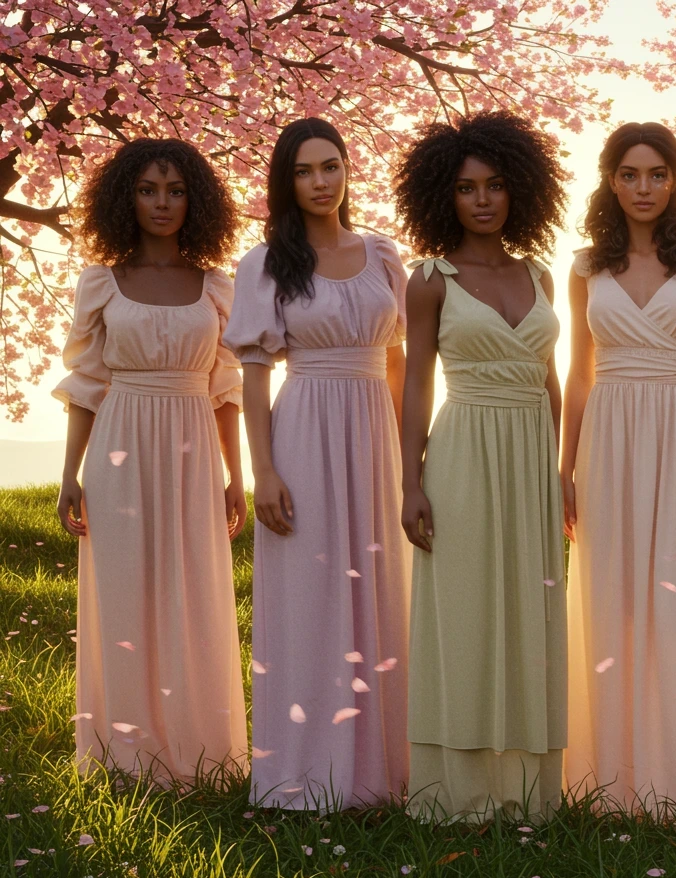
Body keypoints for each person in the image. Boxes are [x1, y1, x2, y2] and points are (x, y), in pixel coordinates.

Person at [223, 118, 410, 810]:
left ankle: (381, 773)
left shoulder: (385, 254)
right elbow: (251, 374)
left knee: (380, 590)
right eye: (305, 171)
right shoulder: (266, 261)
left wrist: (406, 451)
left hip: (374, 433)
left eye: (330, 166)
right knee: (307, 595)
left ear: (346, 168)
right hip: (302, 429)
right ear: (286, 181)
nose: (321, 181)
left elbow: (398, 359)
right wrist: (262, 470)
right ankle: (299, 774)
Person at [560, 122, 676, 811]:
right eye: (631, 174)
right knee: (608, 596)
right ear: (610, 180)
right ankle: (605, 777)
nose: (645, 188)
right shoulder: (583, 267)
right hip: (608, 435)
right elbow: (577, 374)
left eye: (658, 174)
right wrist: (564, 466)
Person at [55, 138, 248, 782]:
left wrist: (236, 476)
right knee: (123, 593)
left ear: (195, 200)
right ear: (125, 199)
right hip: (119, 446)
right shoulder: (101, 283)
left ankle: (201, 756)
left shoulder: (219, 287)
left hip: (194, 448)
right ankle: (125, 758)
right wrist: (68, 474)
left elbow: (226, 393)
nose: (161, 203)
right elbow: (86, 385)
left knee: (193, 594)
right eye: (147, 190)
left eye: (174, 191)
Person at [395, 111, 569, 821]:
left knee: (530, 615)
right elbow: (414, 384)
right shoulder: (430, 279)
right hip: (463, 450)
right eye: (467, 188)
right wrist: (410, 482)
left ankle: (526, 795)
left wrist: (563, 468)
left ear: (519, 190)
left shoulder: (540, 273)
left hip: (532, 454)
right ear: (445, 195)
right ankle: (456, 795)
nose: (483, 200)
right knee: (464, 615)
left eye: (496, 185)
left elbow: (549, 375)